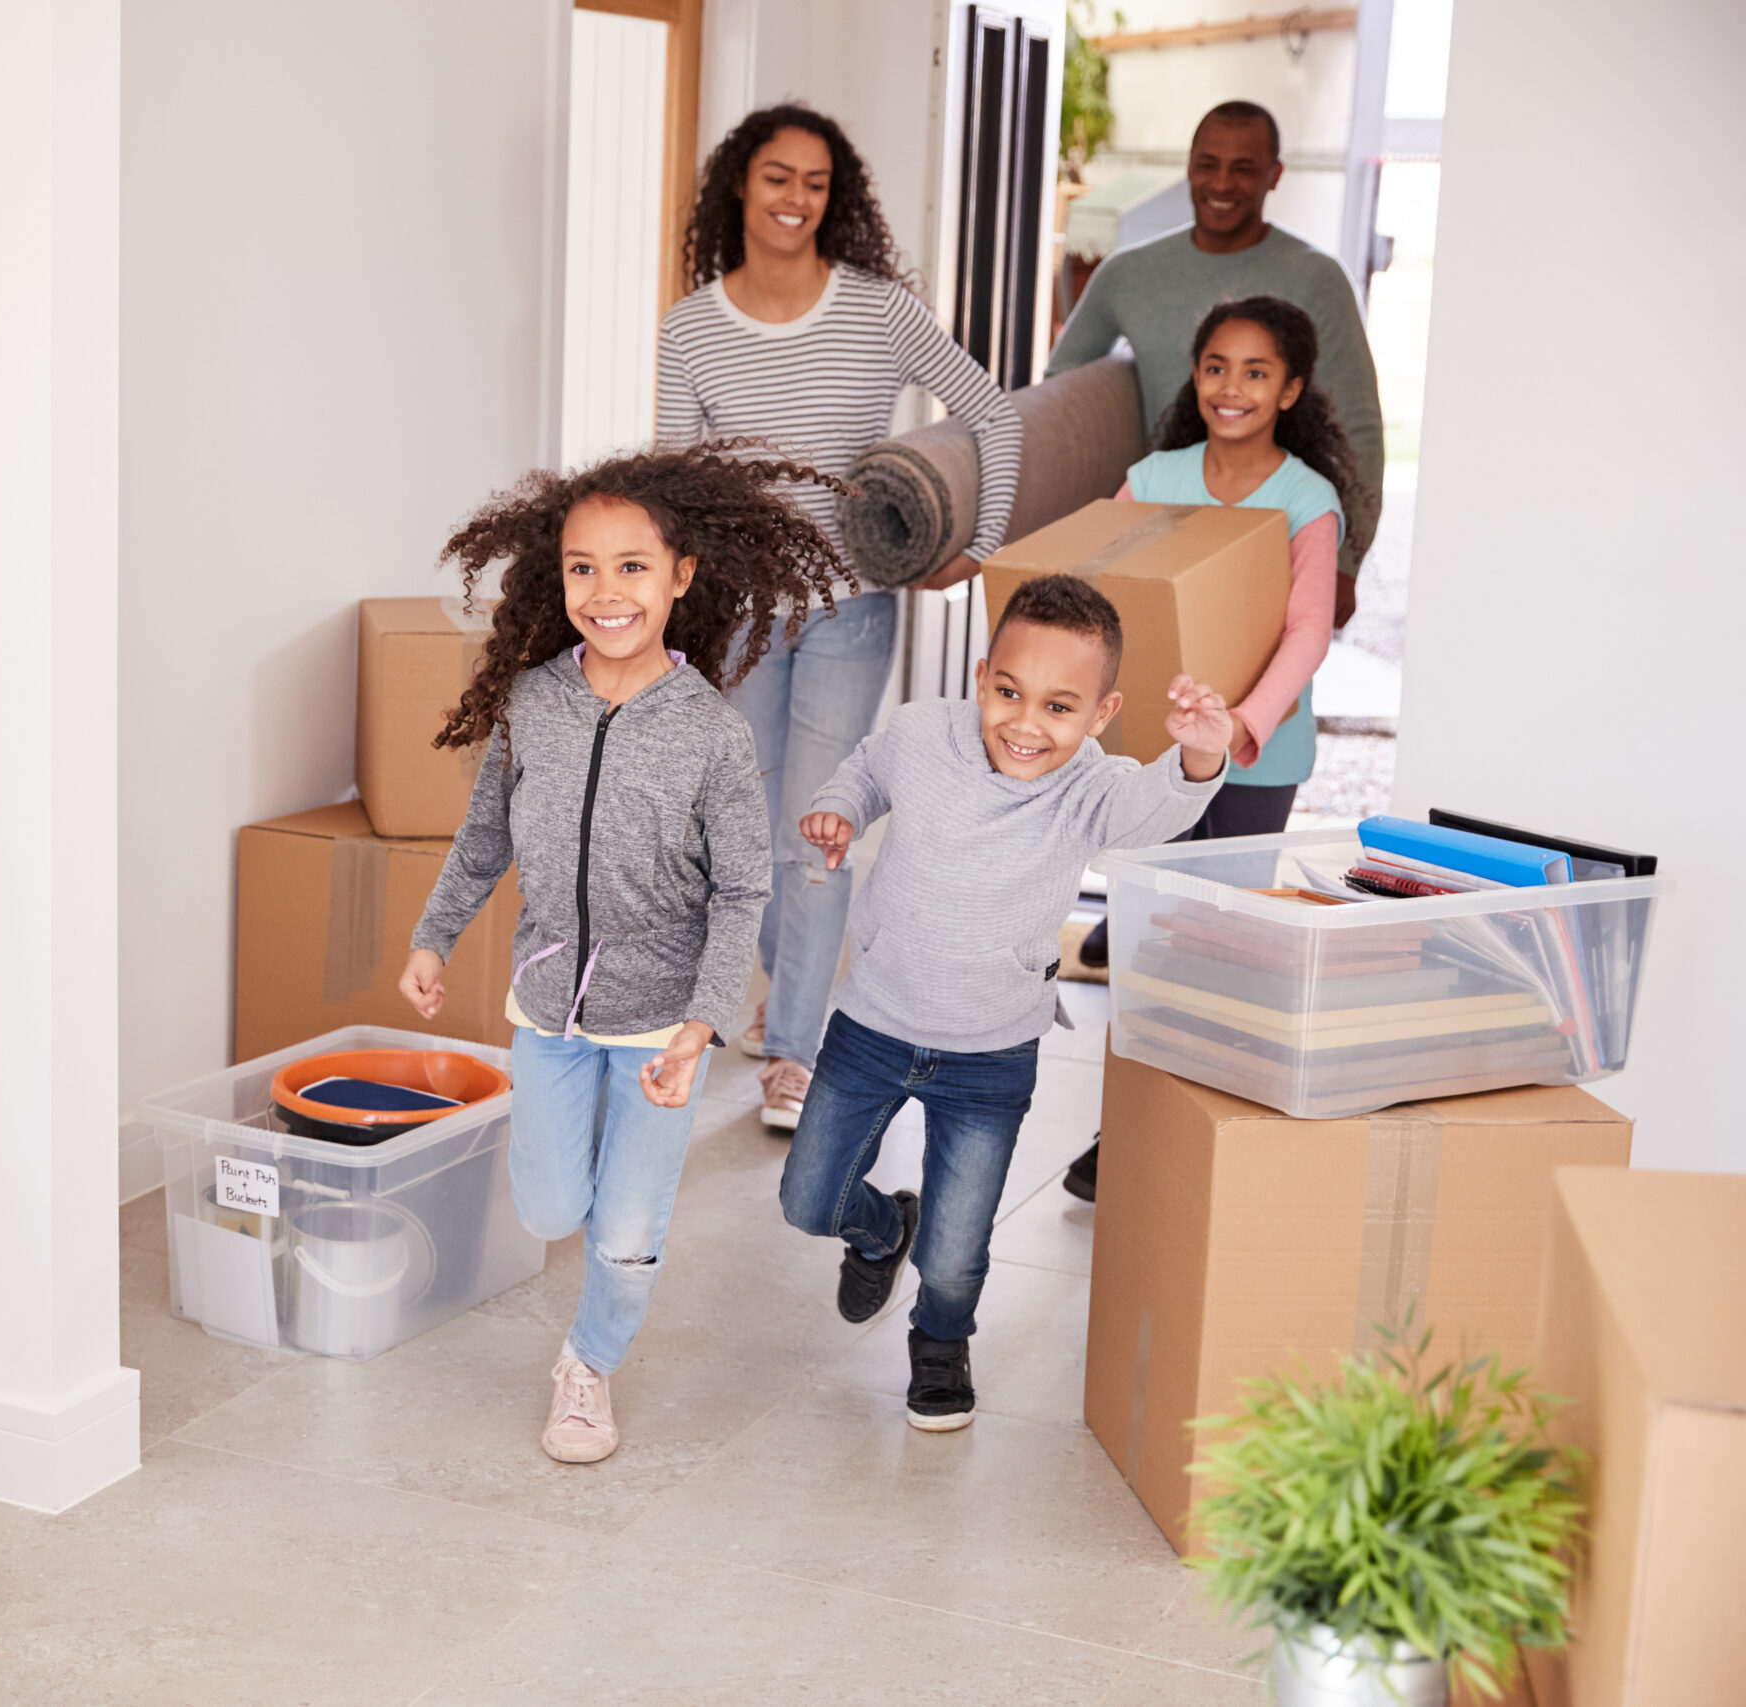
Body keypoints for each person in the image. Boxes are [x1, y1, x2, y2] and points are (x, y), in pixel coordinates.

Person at [401, 443, 843, 1465]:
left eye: (632, 566)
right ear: (555, 579)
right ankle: (602, 1211)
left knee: (625, 1235)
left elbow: (742, 891)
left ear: (681, 575)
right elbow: (483, 840)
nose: (605, 592)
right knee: (554, 1205)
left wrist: (704, 1023)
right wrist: (433, 936)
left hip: (662, 1030)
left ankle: (588, 1366)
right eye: (581, 568)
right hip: (548, 1005)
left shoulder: (711, 737)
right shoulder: (532, 705)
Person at [777, 576, 1229, 1430]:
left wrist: (1200, 755)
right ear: (982, 675)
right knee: (808, 1198)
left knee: (956, 1251)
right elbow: (867, 769)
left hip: (991, 1052)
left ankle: (941, 1345)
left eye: (1060, 707)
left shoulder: (1091, 787)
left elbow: (1156, 807)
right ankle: (879, 1230)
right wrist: (840, 808)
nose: (1025, 724)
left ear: (1101, 714)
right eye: (1008, 692)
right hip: (874, 1019)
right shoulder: (920, 733)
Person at [657, 103, 1023, 1135]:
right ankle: (788, 984)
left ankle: (793, 1057)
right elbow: (674, 482)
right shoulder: (689, 327)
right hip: (735, 619)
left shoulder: (876, 311)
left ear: (835, 197)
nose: (795, 199)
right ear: (741, 184)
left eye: (815, 183)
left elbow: (991, 410)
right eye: (778, 177)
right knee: (751, 834)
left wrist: (979, 547)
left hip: (851, 609)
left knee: (813, 838)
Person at [1055, 296, 1373, 1204]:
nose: (1231, 388)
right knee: (1154, 941)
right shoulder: (1152, 479)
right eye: (1216, 368)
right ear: (1194, 377)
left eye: (1256, 372)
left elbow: (1307, 632)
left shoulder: (1307, 500)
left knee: (1224, 943)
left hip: (1257, 757)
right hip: (1157, 751)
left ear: (1292, 389)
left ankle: (1201, 1132)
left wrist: (1240, 724)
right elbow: (1092, 587)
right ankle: (1125, 1133)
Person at [1047, 100, 1382, 618]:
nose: (1221, 183)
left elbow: (1358, 427)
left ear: (1275, 176)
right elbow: (1061, 397)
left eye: (1243, 169)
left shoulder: (1319, 279)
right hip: (1160, 531)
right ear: (1188, 166)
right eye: (1208, 164)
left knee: (1271, 691)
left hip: (1280, 541)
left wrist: (1346, 561)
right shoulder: (1128, 274)